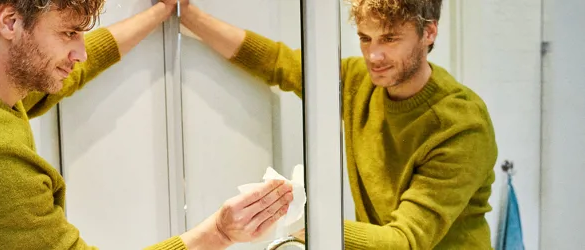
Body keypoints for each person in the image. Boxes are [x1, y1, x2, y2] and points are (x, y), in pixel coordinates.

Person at [0, 0, 294, 249]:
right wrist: (220, 234)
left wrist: (160, 13)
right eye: (68, 33)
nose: (80, 53)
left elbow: (77, 71)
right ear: (10, 21)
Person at [180, 0, 498, 249]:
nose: (374, 56)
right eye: (364, 38)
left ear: (429, 32)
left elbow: (406, 240)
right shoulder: (359, 81)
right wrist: (188, 15)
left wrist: (313, 227)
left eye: (389, 39)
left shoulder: (460, 125)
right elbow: (277, 62)